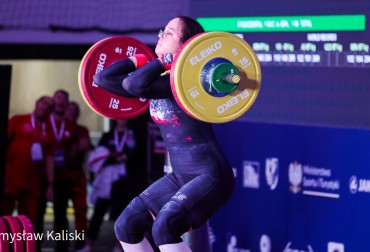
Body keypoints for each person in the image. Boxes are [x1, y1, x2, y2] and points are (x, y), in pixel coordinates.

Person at [93, 16, 235, 252]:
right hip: (181, 177)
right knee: (126, 225)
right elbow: (102, 79)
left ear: (185, 44)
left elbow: (132, 86)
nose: (160, 36)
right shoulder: (158, 82)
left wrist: (163, 61)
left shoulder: (186, 82)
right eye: (162, 31)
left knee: (165, 227)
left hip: (211, 175)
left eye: (168, 33)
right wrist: (135, 59)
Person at [3, 96, 55, 251]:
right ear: (36, 103)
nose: (45, 106)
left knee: (28, 222)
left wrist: (51, 185)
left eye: (49, 105)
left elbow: (49, 158)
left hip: (32, 184)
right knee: (3, 216)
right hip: (10, 179)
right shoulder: (17, 120)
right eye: (43, 102)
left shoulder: (49, 130)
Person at [82, 118, 136, 252]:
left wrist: (125, 157)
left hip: (123, 181)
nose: (121, 120)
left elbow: (136, 155)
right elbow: (100, 153)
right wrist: (114, 155)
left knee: (123, 214)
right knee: (98, 213)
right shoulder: (108, 135)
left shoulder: (132, 135)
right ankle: (89, 243)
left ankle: (119, 245)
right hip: (107, 179)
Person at [47, 89, 80, 252]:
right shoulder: (44, 122)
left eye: (63, 99)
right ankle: (32, 244)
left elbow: (76, 150)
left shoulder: (72, 126)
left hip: (63, 176)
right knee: (36, 213)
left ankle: (61, 246)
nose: (60, 102)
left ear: (66, 104)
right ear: (53, 101)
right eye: (57, 98)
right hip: (42, 175)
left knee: (60, 214)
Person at [64, 101, 91, 251]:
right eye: (70, 109)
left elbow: (83, 146)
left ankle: (80, 242)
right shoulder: (57, 126)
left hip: (77, 174)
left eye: (76, 110)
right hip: (60, 174)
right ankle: (61, 243)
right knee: (60, 211)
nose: (73, 112)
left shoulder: (82, 129)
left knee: (81, 210)